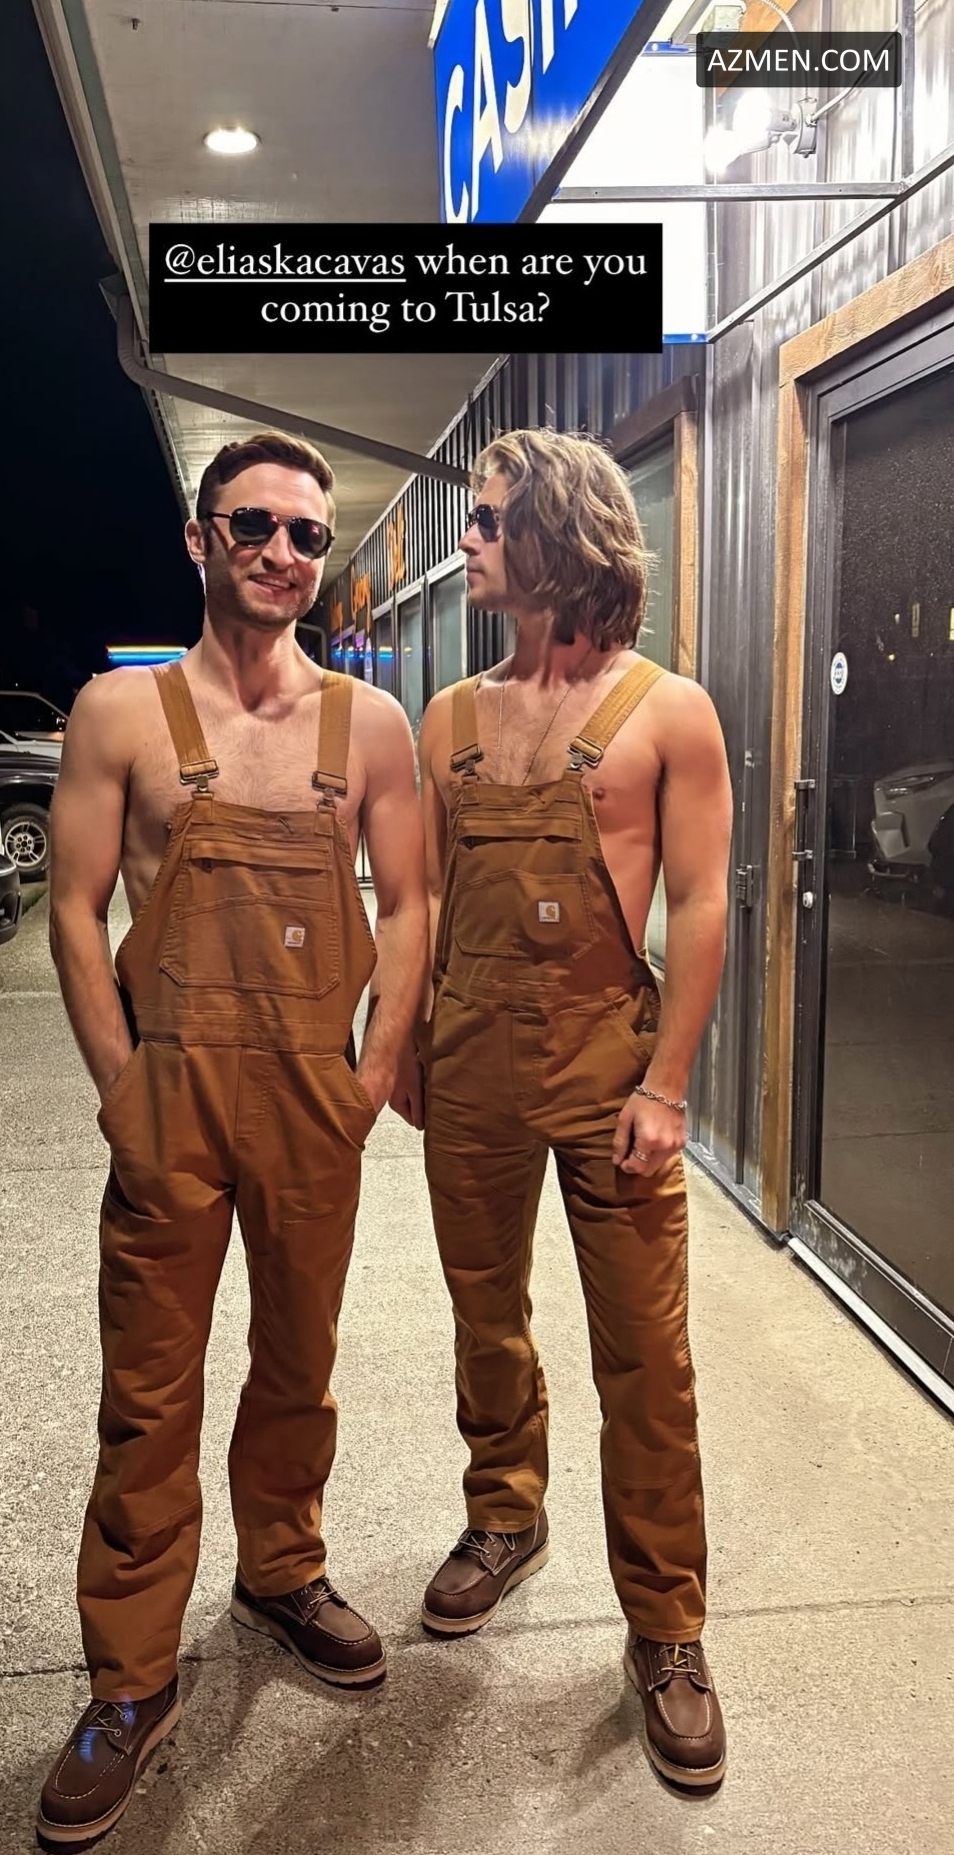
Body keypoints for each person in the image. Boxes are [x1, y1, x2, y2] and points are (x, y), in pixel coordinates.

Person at [39, 431, 426, 1849]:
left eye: (306, 535)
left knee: (298, 1364)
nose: (281, 551)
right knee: (149, 1395)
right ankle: (130, 1679)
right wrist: (121, 1089)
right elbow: (73, 910)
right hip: (174, 1101)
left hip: (313, 1101)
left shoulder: (368, 728)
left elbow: (411, 907)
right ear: (201, 538)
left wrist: (371, 1074)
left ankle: (281, 1571)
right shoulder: (120, 716)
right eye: (252, 525)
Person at [411, 428, 733, 1791]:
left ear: (555, 533)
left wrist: (669, 1085)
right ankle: (506, 1512)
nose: (468, 542)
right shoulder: (448, 718)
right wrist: (407, 1042)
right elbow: (427, 899)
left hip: (612, 1069)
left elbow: (703, 903)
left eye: (488, 521)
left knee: (645, 1356)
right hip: (470, 1059)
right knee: (484, 1312)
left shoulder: (668, 711)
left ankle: (666, 1625)